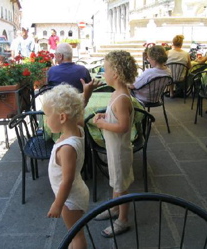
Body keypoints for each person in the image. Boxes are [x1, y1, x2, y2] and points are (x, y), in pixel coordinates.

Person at [92, 50, 137, 238]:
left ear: (115, 74)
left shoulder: (122, 98)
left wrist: (102, 124)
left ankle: (123, 220)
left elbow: (124, 126)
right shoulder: (117, 94)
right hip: (113, 148)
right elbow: (117, 117)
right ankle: (114, 208)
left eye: (106, 69)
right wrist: (106, 116)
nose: (104, 72)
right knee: (116, 181)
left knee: (121, 184)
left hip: (119, 150)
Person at [44, 84, 89, 249]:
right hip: (76, 192)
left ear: (62, 117)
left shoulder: (67, 148)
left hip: (70, 199)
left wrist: (58, 203)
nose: (46, 119)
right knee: (74, 232)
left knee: (76, 235)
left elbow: (67, 180)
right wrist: (87, 94)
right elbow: (78, 112)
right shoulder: (77, 129)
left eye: (47, 115)